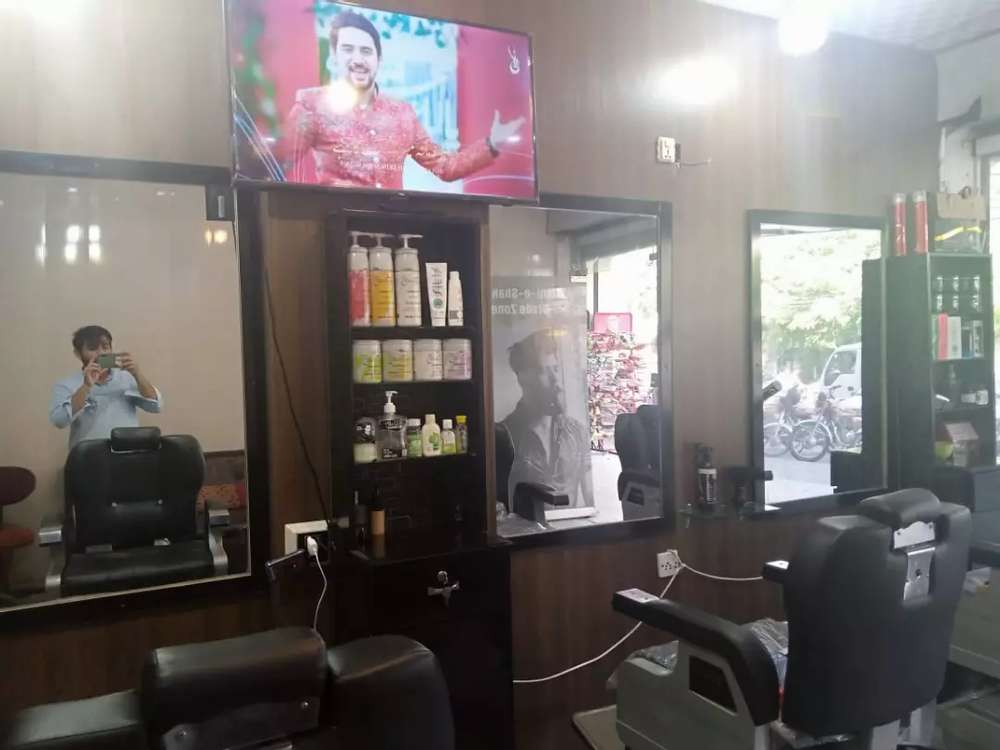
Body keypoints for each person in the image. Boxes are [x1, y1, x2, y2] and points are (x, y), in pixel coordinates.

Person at [289, 10, 525, 189]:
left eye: (366, 51)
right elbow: (283, 167)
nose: (358, 59)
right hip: (330, 221)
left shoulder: (402, 113)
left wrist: (492, 144)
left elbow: (445, 167)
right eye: (348, 49)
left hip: (394, 223)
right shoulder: (312, 104)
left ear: (379, 59)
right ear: (334, 57)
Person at [500, 329, 594, 510]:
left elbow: (589, 495)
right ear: (522, 377)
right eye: (544, 371)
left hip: (569, 525)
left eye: (556, 369)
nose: (556, 381)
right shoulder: (504, 435)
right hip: (526, 525)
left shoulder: (577, 431)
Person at [49, 325, 162, 451]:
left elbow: (156, 406)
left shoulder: (126, 377)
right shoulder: (67, 384)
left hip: (127, 454)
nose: (101, 353)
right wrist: (86, 387)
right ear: (78, 353)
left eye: (105, 347)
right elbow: (59, 421)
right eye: (92, 348)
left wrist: (137, 374)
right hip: (89, 456)